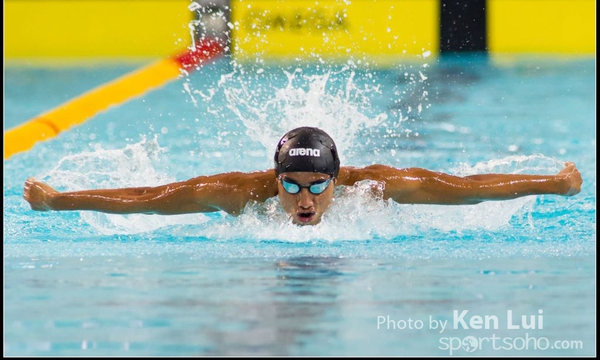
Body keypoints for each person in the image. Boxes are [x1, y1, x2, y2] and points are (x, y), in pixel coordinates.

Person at [23, 126, 583, 226]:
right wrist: (59, 201)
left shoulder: (373, 187)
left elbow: (463, 190)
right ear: (275, 179)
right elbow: (148, 198)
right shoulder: (242, 194)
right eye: (291, 186)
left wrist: (553, 182)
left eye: (317, 186)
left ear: (337, 180)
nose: (304, 199)